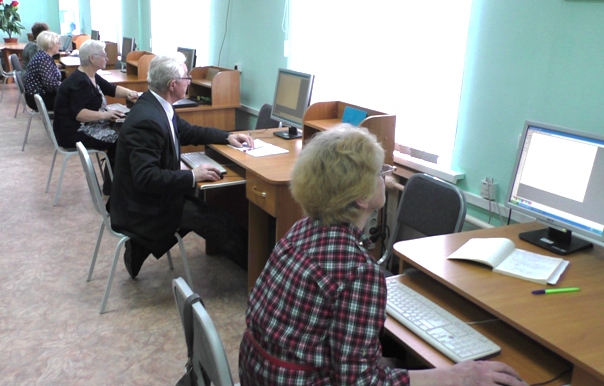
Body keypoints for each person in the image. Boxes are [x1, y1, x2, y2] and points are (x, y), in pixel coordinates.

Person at [238, 124, 527, 386]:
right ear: (361, 197)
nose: (385, 178)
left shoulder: (302, 229)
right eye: (380, 173)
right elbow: (360, 383)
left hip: (259, 374)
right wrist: (456, 377)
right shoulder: (357, 271)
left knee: (399, 361)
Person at [108, 53, 253, 279]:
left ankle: (140, 248)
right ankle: (261, 273)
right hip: (141, 208)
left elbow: (189, 132)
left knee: (211, 207)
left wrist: (227, 136)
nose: (189, 82)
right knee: (217, 221)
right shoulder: (147, 120)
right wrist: (193, 175)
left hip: (150, 197)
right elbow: (146, 178)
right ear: (172, 85)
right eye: (187, 78)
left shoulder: (156, 104)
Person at [53, 39, 139, 192]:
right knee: (122, 139)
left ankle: (114, 181)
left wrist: (130, 93)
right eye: (104, 55)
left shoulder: (90, 75)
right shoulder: (80, 82)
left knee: (124, 133)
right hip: (73, 132)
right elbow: (79, 114)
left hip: (82, 126)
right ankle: (113, 186)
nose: (107, 58)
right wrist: (105, 115)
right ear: (92, 58)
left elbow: (111, 89)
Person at [23, 31, 61, 111]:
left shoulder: (42, 56)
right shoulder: (44, 59)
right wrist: (68, 86)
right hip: (40, 98)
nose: (59, 45)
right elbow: (51, 85)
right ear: (50, 45)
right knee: (76, 98)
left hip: (37, 95)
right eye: (57, 43)